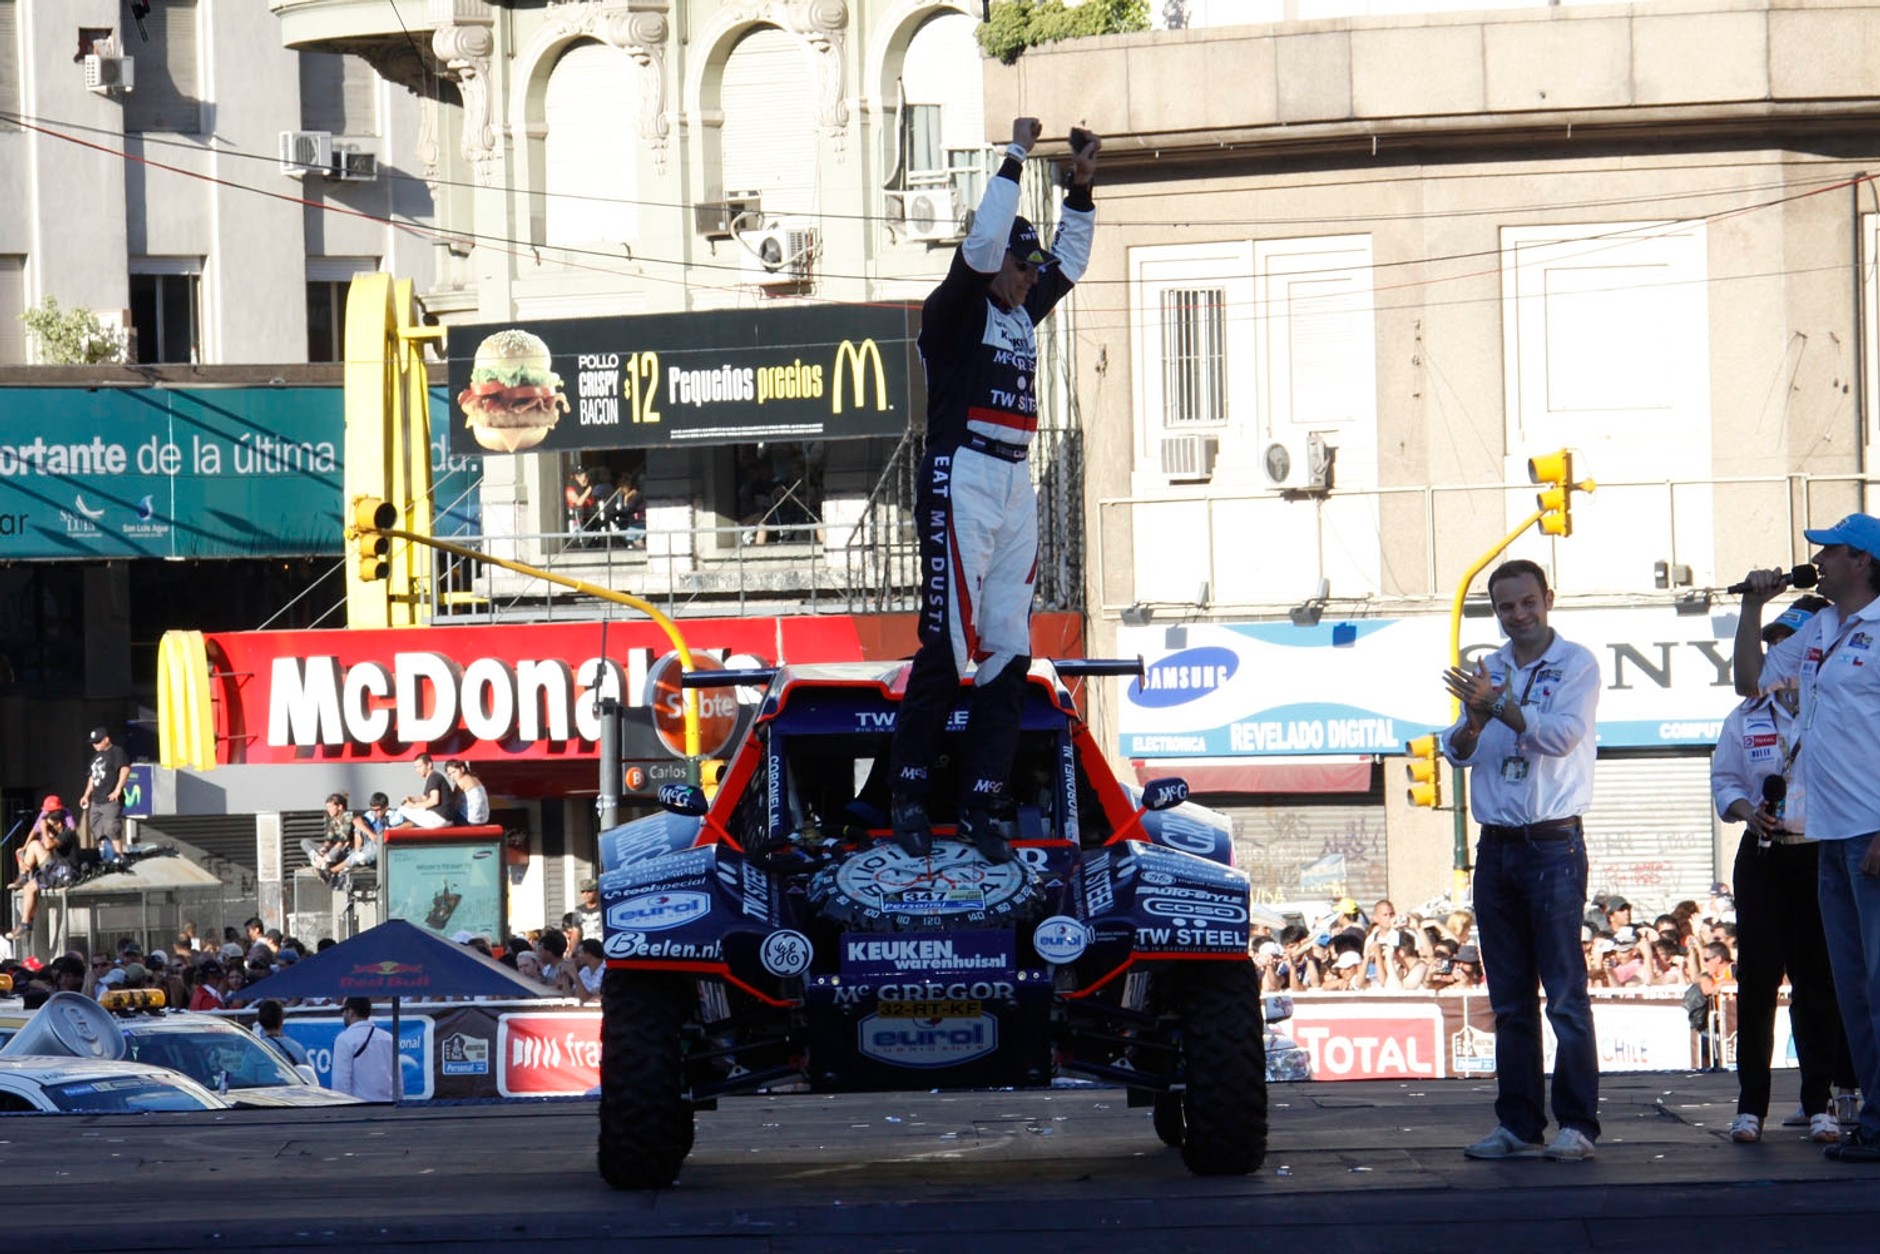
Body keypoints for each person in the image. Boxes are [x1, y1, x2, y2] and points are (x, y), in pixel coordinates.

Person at [885, 117, 1100, 865]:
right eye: (1021, 263)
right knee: (946, 642)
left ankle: (982, 800)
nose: (1030, 276)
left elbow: (1071, 262)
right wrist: (1012, 157)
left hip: (1015, 476)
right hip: (961, 470)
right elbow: (978, 249)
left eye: (1030, 267)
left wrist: (1080, 182)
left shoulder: (1021, 309)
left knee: (1011, 645)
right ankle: (907, 794)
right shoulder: (957, 309)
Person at [1441, 558, 1602, 1161]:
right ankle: (1517, 1123)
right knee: (1509, 998)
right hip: (1498, 847)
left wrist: (1502, 709)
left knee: (1564, 993)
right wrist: (1475, 721)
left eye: (1527, 602)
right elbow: (1457, 751)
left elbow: (1562, 736)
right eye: (1506, 606)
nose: (1517, 615)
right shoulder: (1493, 669)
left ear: (1548, 599)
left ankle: (1578, 1125)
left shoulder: (1577, 663)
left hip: (1554, 843)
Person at [1733, 514, 1880, 1162]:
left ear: (1863, 561)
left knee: (1875, 984)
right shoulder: (1820, 629)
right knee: (1851, 987)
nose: (1816, 560)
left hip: (1870, 832)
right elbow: (1748, 682)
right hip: (1828, 833)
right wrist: (1752, 607)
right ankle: (1873, 1120)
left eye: (1829, 552)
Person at [1711, 593, 1849, 1145]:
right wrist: (1749, 811)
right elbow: (1725, 782)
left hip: (1820, 851)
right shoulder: (1743, 716)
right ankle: (1751, 1108)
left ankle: (1820, 1103)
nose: (1777, 652)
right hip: (1763, 857)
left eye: (1787, 641)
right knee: (1757, 981)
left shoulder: (1836, 709)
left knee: (1818, 983)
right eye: (1772, 642)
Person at [331, 996, 397, 1101]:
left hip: (360, 1107)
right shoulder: (389, 1038)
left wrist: (342, 1108)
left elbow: (340, 1081)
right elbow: (398, 1078)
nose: (342, 1014)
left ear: (351, 1012)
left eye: (343, 1010)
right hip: (388, 1105)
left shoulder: (344, 1039)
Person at [80, 726, 131, 857]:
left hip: (110, 799)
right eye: (93, 743)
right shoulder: (96, 757)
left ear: (106, 739)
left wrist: (117, 790)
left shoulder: (116, 752)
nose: (95, 745)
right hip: (96, 800)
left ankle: (119, 855)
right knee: (95, 826)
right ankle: (108, 853)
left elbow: (125, 770)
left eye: (97, 742)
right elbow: (92, 777)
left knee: (112, 827)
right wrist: (86, 795)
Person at [393, 754, 453, 828]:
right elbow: (424, 798)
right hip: (445, 818)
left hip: (439, 819)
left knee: (403, 809)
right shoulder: (435, 776)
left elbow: (434, 800)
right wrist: (411, 798)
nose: (417, 770)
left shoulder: (434, 778)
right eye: (416, 768)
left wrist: (414, 806)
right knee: (409, 808)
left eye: (420, 767)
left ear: (429, 765)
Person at [253, 997, 311, 1069]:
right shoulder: (298, 1049)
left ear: (260, 1022)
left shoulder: (253, 1051)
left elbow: (243, 1078)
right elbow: (308, 1076)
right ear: (281, 1021)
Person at [444, 761, 489, 826]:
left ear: (462, 769)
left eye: (454, 772)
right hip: (483, 818)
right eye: (449, 774)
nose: (452, 777)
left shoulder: (462, 781)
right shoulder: (474, 778)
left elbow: (452, 800)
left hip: (471, 820)